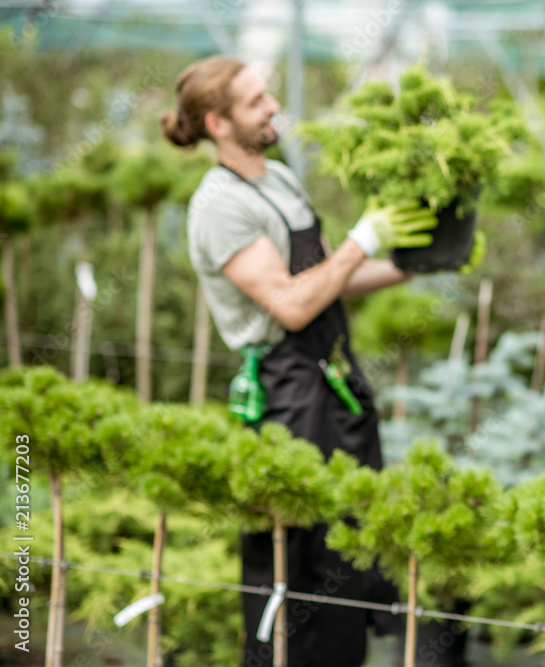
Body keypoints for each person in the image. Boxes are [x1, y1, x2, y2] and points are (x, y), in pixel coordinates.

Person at [161, 55, 450, 667]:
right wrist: (362, 238)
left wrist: (416, 263)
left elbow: (326, 279)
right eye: (256, 101)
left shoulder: (279, 179)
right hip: (285, 394)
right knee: (297, 563)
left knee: (347, 549)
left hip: (330, 382)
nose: (272, 107)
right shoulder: (219, 205)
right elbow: (291, 305)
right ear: (217, 122)